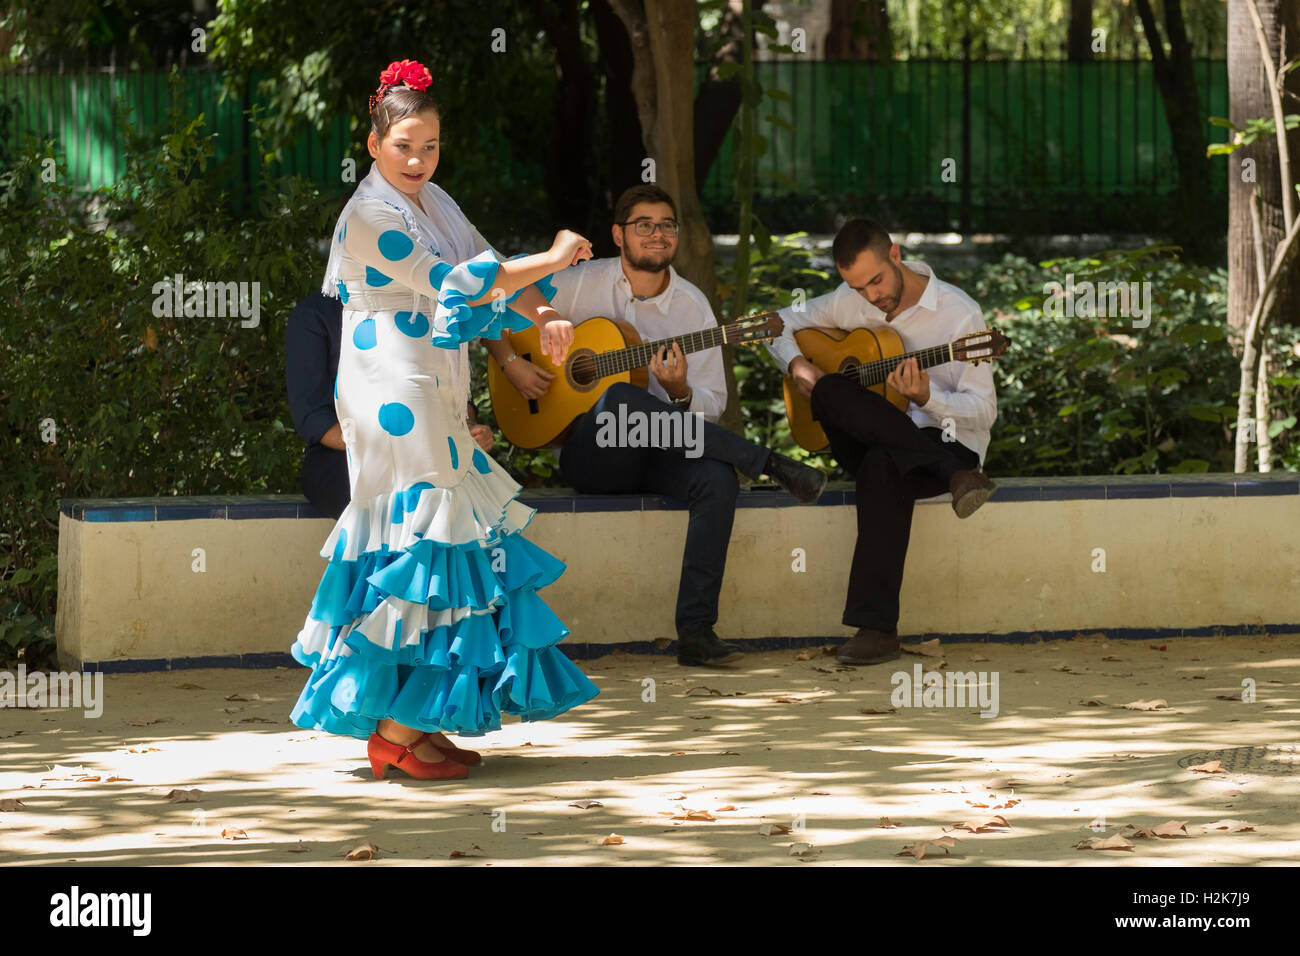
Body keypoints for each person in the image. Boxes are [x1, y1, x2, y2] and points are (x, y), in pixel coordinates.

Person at [288, 59, 599, 781]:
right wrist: (553, 255)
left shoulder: (433, 201)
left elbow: (485, 265)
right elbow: (455, 284)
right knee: (428, 535)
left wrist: (547, 308)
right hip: (391, 385)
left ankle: (416, 721)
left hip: (429, 381)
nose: (418, 159)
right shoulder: (369, 214)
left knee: (442, 535)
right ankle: (395, 730)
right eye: (403, 146)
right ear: (373, 144)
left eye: (429, 147)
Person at [484, 184, 827, 668]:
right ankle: (767, 462)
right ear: (618, 235)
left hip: (660, 451)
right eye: (644, 225)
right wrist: (512, 363)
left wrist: (682, 391)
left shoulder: (693, 307)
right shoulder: (583, 281)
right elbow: (497, 300)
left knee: (716, 478)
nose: (657, 234)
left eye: (666, 225)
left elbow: (712, 402)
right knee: (624, 396)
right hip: (593, 455)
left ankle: (696, 632)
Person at [767, 218, 998, 666]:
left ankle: (876, 631)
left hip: (948, 440)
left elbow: (983, 411)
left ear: (895, 255)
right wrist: (796, 364)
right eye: (858, 288)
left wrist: (927, 397)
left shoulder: (959, 314)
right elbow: (778, 324)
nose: (871, 296)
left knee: (880, 467)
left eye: (875, 280)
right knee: (830, 389)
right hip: (897, 443)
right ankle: (958, 480)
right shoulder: (849, 301)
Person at [285, 291, 494, 519]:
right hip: (347, 457)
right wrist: (399, 447)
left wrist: (470, 430)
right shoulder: (315, 313)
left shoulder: (430, 307)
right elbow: (314, 418)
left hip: (437, 454)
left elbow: (459, 400)